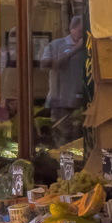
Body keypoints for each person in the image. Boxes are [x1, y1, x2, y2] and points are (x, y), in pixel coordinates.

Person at [38, 14, 88, 144]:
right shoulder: (56, 45)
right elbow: (48, 64)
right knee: (61, 139)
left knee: (78, 140)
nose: (83, 35)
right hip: (59, 101)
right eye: (81, 31)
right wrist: (75, 49)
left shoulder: (88, 48)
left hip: (80, 102)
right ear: (72, 29)